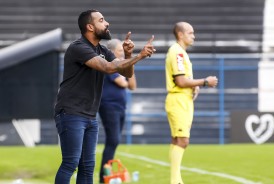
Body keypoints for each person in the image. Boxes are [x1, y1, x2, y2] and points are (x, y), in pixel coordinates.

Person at [53, 9, 155, 184]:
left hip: (90, 116)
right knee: (71, 163)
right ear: (90, 27)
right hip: (71, 112)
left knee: (87, 166)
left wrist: (130, 55)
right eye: (102, 20)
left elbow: (127, 73)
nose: (107, 23)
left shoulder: (103, 50)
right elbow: (108, 68)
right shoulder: (78, 47)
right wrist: (139, 56)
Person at [165, 22, 218, 184]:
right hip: (178, 100)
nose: (193, 36)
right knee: (182, 140)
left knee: (178, 140)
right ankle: (175, 181)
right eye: (190, 33)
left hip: (183, 99)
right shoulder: (177, 53)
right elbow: (180, 81)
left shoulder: (180, 52)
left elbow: (184, 79)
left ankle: (177, 180)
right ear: (180, 34)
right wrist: (205, 82)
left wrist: (194, 86)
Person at [98, 39, 137, 183]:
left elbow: (132, 86)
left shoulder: (121, 66)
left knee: (114, 141)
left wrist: (129, 65)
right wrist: (127, 65)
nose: (122, 54)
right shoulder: (110, 65)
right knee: (113, 140)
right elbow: (123, 83)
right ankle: (103, 176)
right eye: (120, 51)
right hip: (109, 106)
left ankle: (106, 173)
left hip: (120, 107)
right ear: (112, 52)